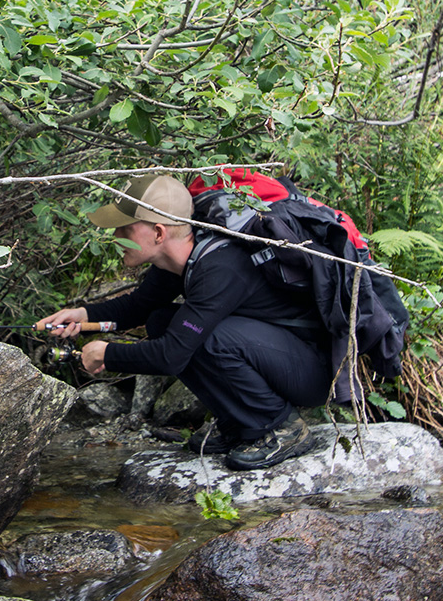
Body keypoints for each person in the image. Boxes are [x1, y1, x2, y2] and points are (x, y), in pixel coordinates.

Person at [36, 174, 339, 470]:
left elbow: (171, 356)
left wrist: (107, 354)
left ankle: (283, 427)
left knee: (208, 338)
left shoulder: (222, 266)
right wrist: (82, 315)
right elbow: (139, 306)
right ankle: (238, 422)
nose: (115, 238)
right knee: (160, 320)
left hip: (311, 370)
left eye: (124, 230)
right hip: (275, 356)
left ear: (158, 232)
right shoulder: (180, 257)